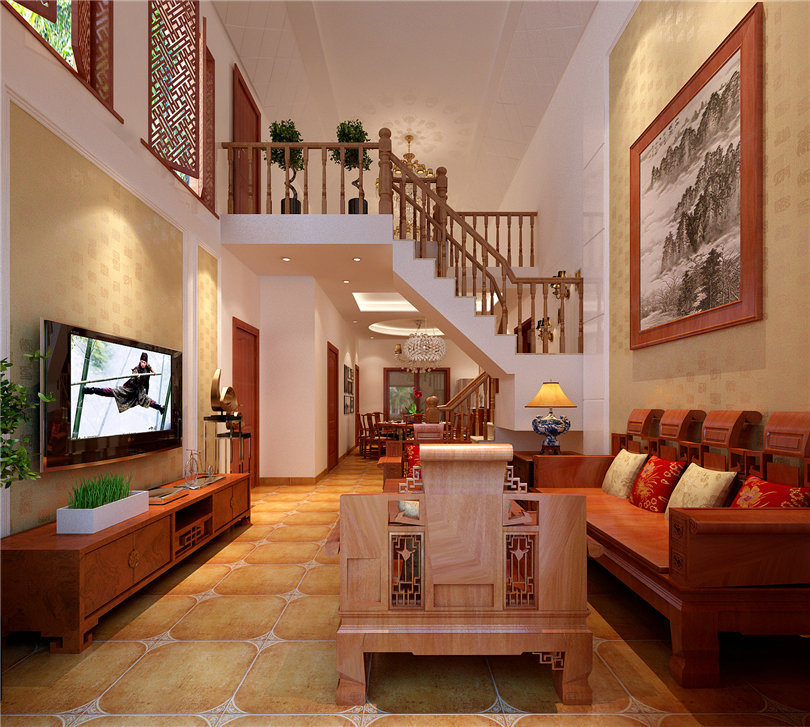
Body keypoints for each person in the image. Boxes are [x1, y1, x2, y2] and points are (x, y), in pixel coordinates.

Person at [84, 352, 165, 415]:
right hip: (130, 389)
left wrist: (153, 372)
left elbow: (150, 368)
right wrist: (137, 377)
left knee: (146, 400)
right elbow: (134, 376)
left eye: (144, 362)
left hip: (139, 391)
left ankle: (160, 407)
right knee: (114, 392)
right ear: (139, 361)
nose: (142, 364)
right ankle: (92, 390)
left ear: (146, 363)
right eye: (141, 362)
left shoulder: (147, 367)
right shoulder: (136, 369)